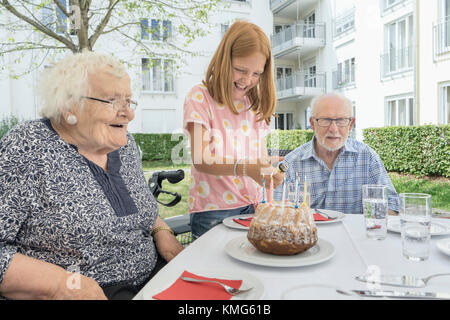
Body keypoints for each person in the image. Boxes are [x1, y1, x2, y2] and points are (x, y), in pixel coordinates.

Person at [0, 51, 184, 300]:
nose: (128, 114)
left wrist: (161, 231)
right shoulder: (28, 146)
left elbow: (140, 210)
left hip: (155, 277)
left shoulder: (125, 144)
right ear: (69, 106)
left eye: (129, 101)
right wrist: (61, 284)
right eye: (112, 101)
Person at [183, 20, 285, 240]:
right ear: (224, 60)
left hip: (256, 206)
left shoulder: (255, 103)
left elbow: (260, 159)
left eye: (257, 73)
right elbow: (201, 159)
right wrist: (247, 168)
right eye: (240, 70)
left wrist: (268, 174)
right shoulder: (200, 97)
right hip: (214, 211)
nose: (248, 80)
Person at [275, 92, 399, 214]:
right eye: (325, 120)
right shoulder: (290, 163)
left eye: (341, 120)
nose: (333, 129)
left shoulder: (367, 157)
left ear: (350, 124)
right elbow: (277, 211)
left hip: (356, 234)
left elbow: (391, 205)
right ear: (312, 123)